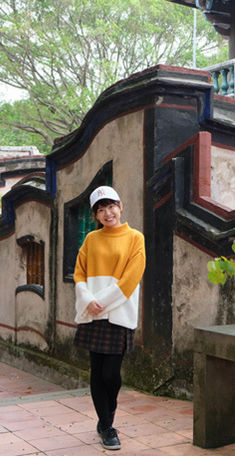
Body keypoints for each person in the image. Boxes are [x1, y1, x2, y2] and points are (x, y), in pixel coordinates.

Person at [73, 186, 145, 451]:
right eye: (100, 210)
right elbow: (79, 273)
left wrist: (99, 302)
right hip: (92, 312)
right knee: (96, 371)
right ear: (96, 214)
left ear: (120, 205)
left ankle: (109, 410)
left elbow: (131, 278)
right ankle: (106, 425)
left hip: (117, 312)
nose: (107, 213)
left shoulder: (135, 238)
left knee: (111, 373)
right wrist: (86, 299)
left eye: (110, 206)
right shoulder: (91, 239)